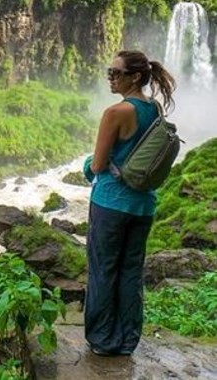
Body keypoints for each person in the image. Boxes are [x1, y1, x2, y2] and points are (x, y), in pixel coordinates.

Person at [82, 50, 176, 356]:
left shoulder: (116, 113)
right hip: (143, 206)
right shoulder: (155, 108)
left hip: (110, 204)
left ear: (134, 77)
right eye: (109, 72)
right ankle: (126, 340)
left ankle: (102, 340)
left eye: (116, 73)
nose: (110, 78)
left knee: (103, 270)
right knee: (131, 272)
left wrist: (86, 165)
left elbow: (97, 166)